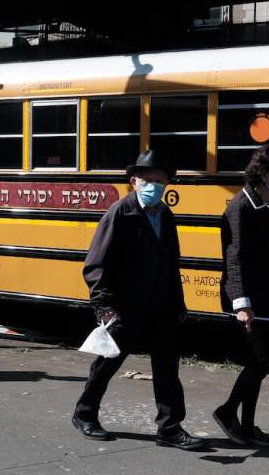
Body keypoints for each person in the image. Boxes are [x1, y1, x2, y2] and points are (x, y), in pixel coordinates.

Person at [71, 150, 205, 451]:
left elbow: (172, 263)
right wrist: (104, 306)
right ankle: (84, 414)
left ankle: (169, 428)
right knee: (106, 364)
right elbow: (96, 264)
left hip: (162, 307)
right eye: (149, 180)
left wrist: (178, 303)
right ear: (134, 181)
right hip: (126, 307)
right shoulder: (120, 213)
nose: (155, 186)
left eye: (161, 181)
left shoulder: (165, 215)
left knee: (168, 370)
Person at [212, 144, 269, 447]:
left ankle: (247, 424)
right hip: (251, 302)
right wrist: (241, 303)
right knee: (261, 360)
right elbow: (233, 258)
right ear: (263, 174)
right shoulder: (240, 207)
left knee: (263, 360)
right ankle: (227, 412)